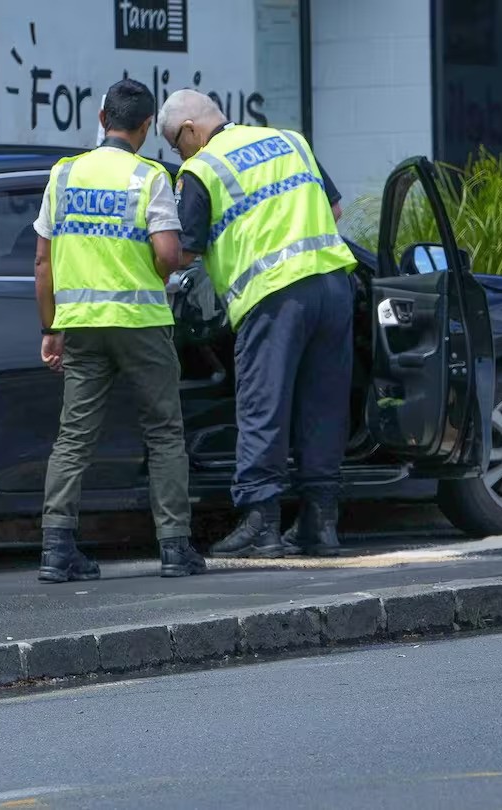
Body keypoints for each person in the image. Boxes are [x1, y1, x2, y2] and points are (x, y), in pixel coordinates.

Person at [158, 88, 357, 558]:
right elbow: (334, 210)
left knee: (262, 406)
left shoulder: (201, 169)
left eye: (174, 145)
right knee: (323, 406)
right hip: (334, 286)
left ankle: (260, 525)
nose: (178, 154)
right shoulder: (290, 141)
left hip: (274, 295)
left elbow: (184, 252)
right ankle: (320, 524)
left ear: (190, 131)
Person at [32, 79, 206, 582]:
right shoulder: (148, 176)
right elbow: (170, 255)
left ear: (102, 115)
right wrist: (154, 270)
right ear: (147, 127)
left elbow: (43, 262)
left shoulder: (63, 175)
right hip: (142, 326)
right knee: (164, 432)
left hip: (81, 327)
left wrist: (51, 327)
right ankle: (175, 548)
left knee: (73, 437)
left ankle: (56, 551)